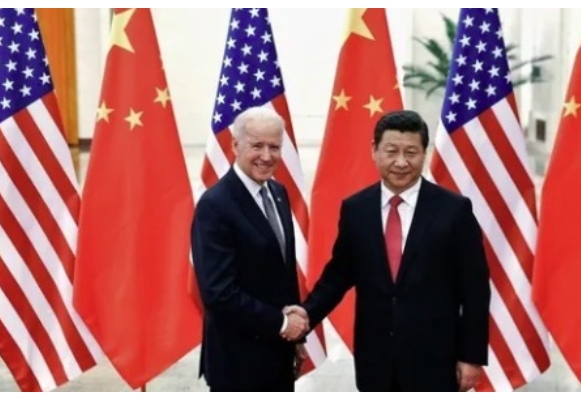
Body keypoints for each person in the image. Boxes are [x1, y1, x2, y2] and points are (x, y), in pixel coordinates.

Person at [286, 110, 491, 391]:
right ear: (374, 150)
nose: (401, 162)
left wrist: (471, 356)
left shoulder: (454, 210)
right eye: (391, 151)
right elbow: (339, 275)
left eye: (411, 152)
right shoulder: (356, 209)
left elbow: (475, 289)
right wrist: (306, 315)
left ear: (424, 153)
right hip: (376, 360)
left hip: (435, 360)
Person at [191, 106, 308, 392]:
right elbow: (218, 292)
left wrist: (295, 337)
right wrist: (283, 324)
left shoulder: (278, 192)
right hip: (237, 362)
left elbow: (282, 271)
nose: (267, 156)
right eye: (257, 146)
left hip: (278, 355)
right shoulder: (215, 205)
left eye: (274, 147)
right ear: (235, 145)